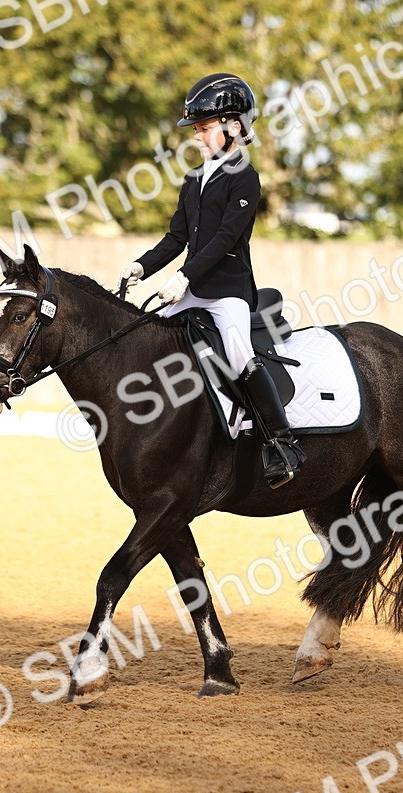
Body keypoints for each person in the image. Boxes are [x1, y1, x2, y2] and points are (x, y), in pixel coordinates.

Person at [120, 73, 306, 489]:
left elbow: (226, 239)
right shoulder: (192, 179)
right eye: (198, 130)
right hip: (191, 289)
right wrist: (140, 267)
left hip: (227, 293)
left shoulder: (245, 177)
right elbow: (177, 238)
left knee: (239, 355)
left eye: (204, 129)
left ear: (233, 126)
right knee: (149, 334)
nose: (199, 137)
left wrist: (184, 275)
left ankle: (283, 442)